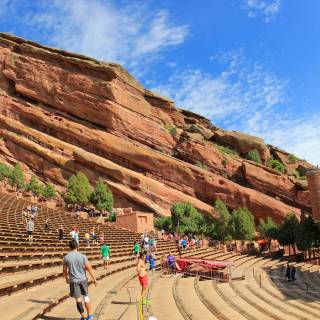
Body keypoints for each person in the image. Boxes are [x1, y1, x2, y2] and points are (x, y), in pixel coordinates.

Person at [63, 239, 97, 320]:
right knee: (86, 296)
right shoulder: (83, 256)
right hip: (83, 279)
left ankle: (83, 317)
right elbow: (89, 268)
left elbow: (64, 270)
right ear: (77, 246)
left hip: (74, 280)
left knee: (78, 299)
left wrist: (66, 279)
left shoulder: (66, 257)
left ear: (69, 247)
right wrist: (94, 278)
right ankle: (90, 315)